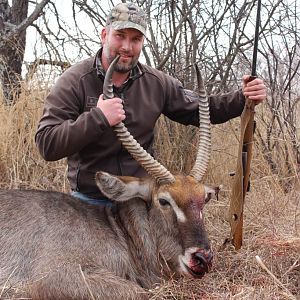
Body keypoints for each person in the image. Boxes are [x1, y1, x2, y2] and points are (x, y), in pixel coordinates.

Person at [35, 3, 266, 205]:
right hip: (91, 199)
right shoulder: (74, 81)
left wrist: (242, 97)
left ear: (143, 42)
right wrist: (98, 118)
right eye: (120, 36)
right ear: (104, 35)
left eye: (135, 39)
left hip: (141, 198)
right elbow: (47, 143)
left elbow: (201, 109)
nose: (127, 47)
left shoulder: (156, 82)